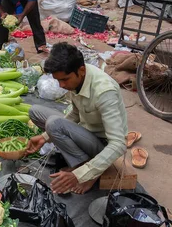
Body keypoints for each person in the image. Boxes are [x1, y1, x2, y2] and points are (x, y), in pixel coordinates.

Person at [26, 43, 128, 195]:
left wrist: (79, 175)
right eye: (58, 80)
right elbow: (75, 114)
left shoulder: (105, 91)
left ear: (81, 70)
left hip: (101, 143)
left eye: (65, 79)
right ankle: (79, 161)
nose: (61, 85)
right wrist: (44, 137)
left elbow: (119, 144)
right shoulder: (77, 76)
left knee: (54, 123)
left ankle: (86, 169)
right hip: (85, 130)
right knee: (35, 111)